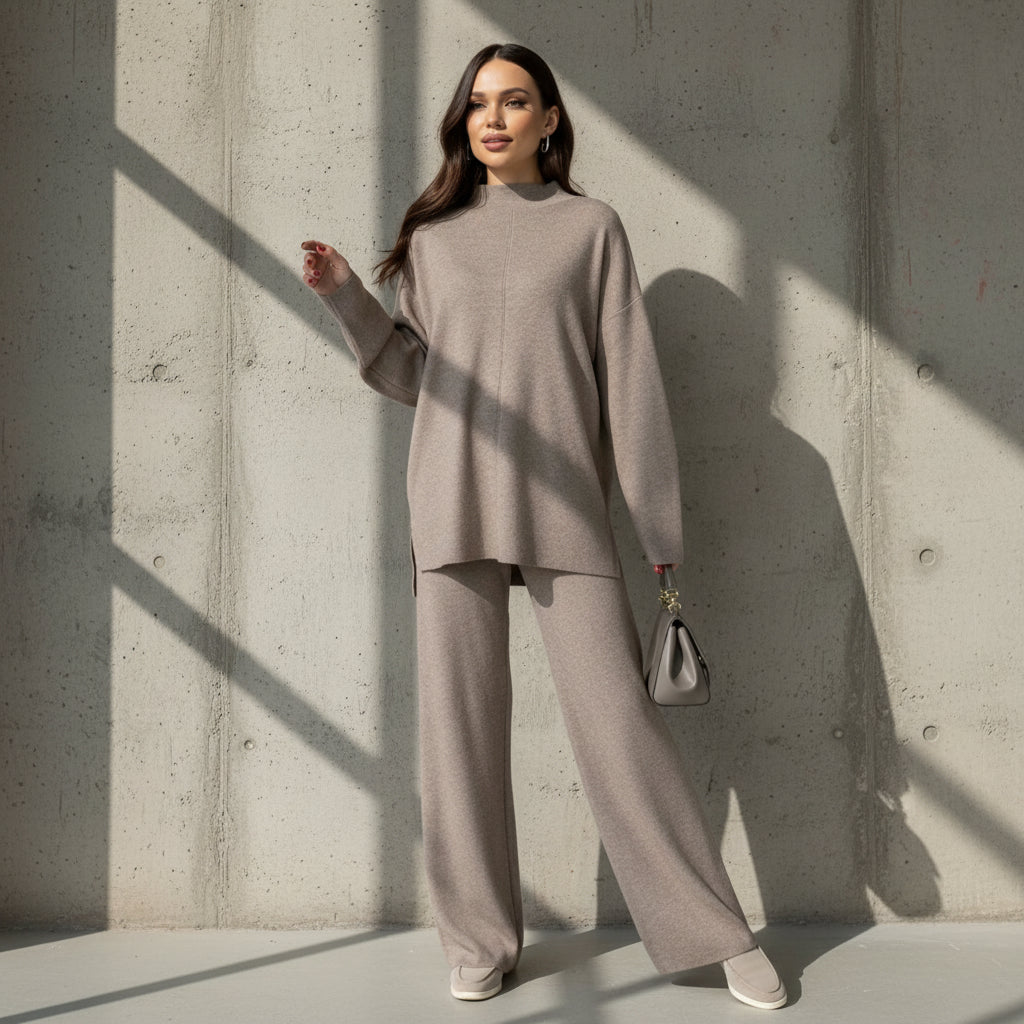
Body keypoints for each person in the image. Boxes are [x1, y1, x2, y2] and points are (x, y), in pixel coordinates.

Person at [300, 42, 786, 1010]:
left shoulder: (590, 231)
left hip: (563, 503)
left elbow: (632, 393)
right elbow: (414, 377)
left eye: (513, 102)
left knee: (619, 728)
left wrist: (658, 532)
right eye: (478, 103)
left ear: (549, 120)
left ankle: (717, 932)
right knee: (458, 737)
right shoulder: (433, 240)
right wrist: (349, 300)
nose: (492, 119)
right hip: (449, 499)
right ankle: (480, 941)